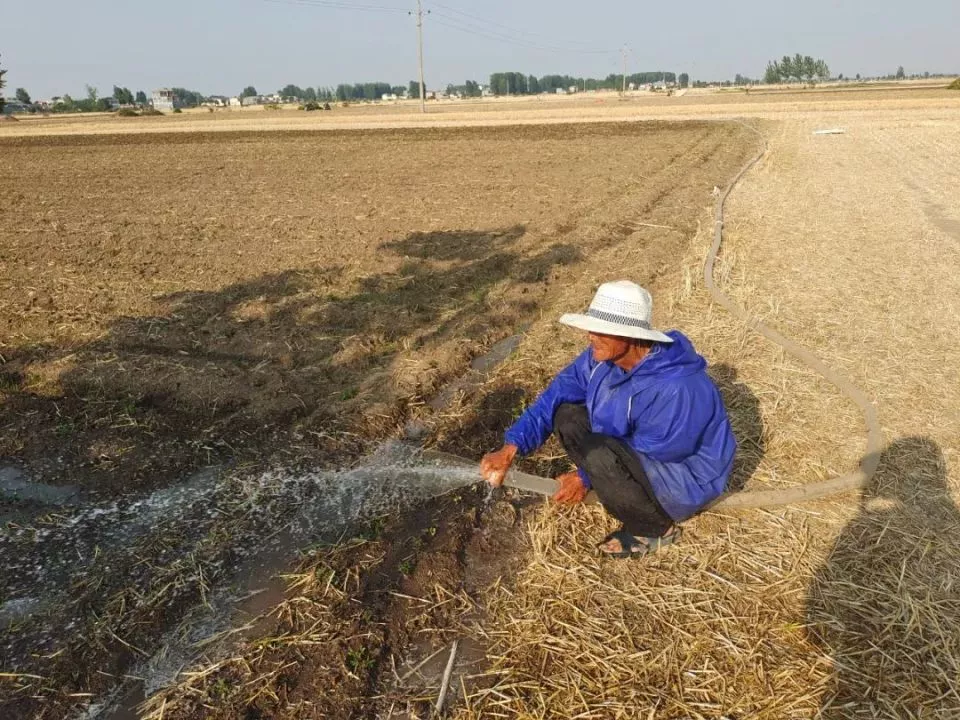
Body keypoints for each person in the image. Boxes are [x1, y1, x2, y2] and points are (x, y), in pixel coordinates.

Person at [480, 280, 736, 558]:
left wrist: (585, 477)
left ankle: (655, 529)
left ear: (632, 336)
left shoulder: (678, 387)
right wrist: (511, 447)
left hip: (685, 477)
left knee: (599, 456)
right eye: (592, 327)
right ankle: (606, 477)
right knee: (566, 414)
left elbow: (660, 452)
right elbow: (556, 393)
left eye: (603, 330)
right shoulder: (599, 360)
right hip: (634, 452)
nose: (591, 335)